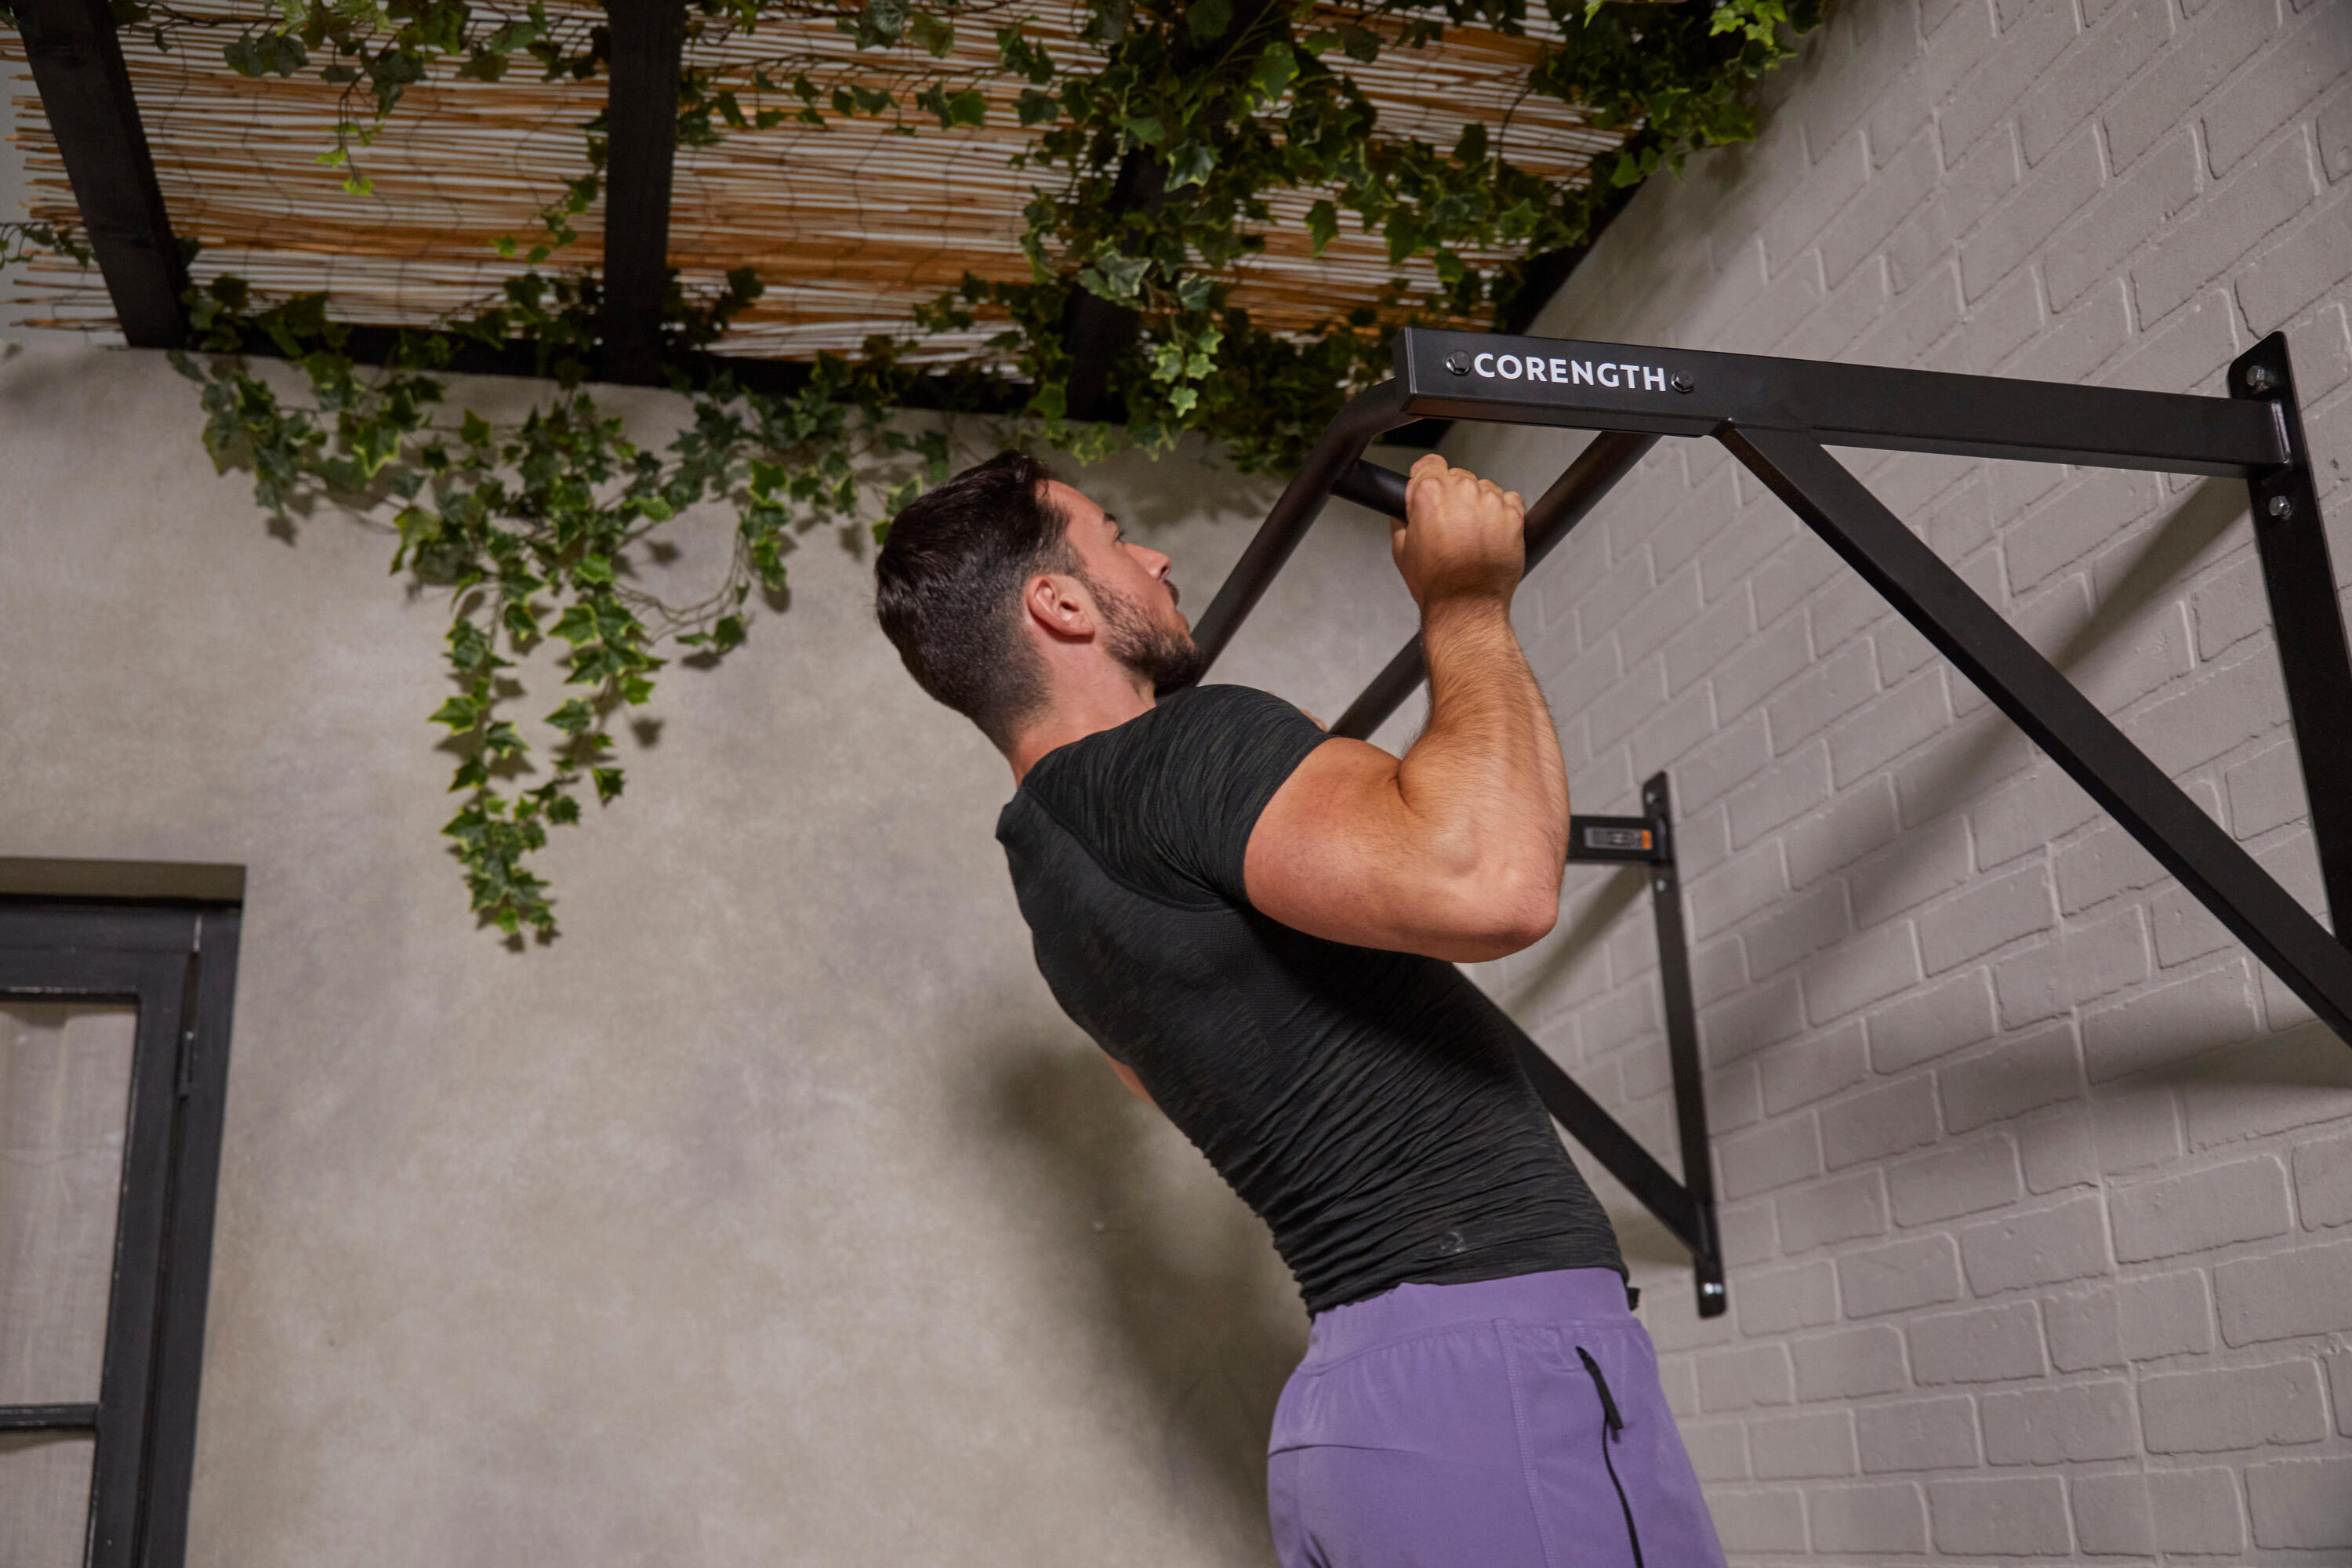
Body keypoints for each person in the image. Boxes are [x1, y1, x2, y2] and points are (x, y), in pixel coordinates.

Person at [875, 449, 1725, 1568]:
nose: (1158, 555)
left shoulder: (1052, 900)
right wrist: (1465, 599)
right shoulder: (1180, 752)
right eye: (1118, 534)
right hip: (1490, 1371)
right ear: (1060, 603)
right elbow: (1495, 885)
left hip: (1357, 1418)